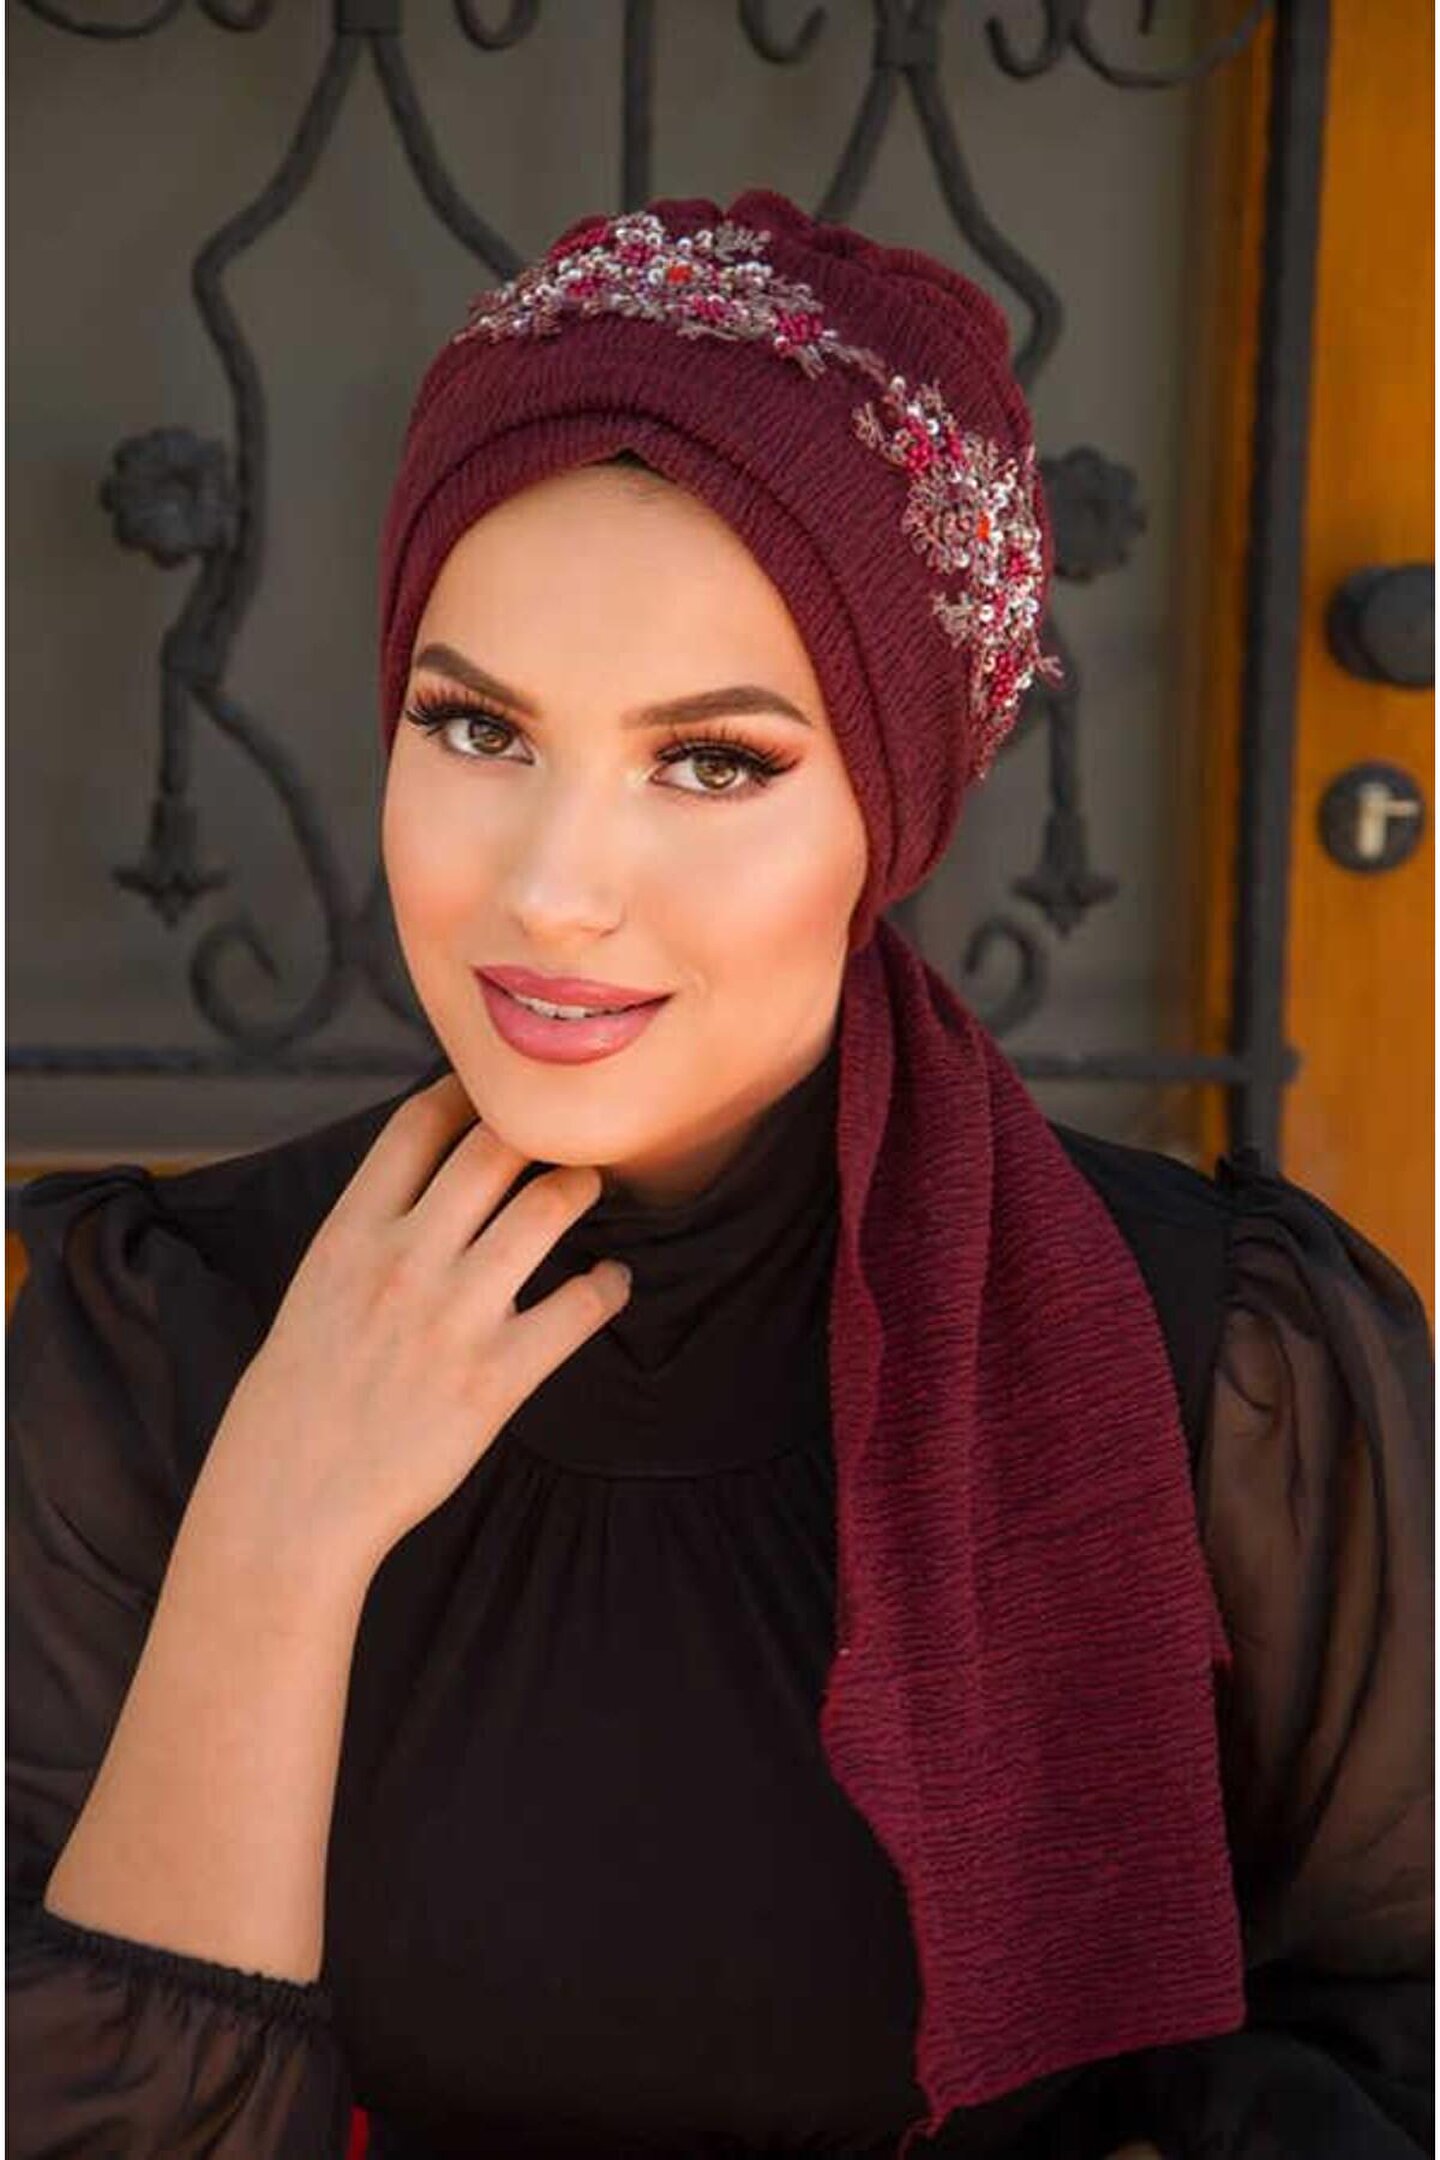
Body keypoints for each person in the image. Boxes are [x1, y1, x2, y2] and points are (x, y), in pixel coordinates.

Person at [7, 191, 1432, 2160]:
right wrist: (278, 1542)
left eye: (714, 762)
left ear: (892, 814)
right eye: (475, 726)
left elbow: (1395, 2035)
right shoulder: (155, 1335)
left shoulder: (1231, 1363)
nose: (553, 890)